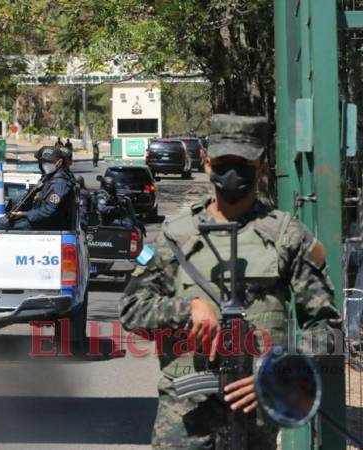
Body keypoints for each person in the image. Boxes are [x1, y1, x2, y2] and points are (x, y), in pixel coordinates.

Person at [118, 114, 342, 449]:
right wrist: (187, 308)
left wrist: (275, 372)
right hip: (184, 417)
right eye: (224, 163)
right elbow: (132, 310)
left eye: (243, 163)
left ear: (261, 167)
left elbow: (328, 330)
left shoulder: (287, 235)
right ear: (208, 165)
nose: (233, 172)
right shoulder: (175, 235)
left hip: (255, 417)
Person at [0, 147, 75, 231]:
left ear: (59, 162)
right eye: (44, 161)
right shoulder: (50, 177)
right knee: (4, 219)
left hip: (49, 225)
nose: (45, 164)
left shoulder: (59, 183)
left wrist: (24, 214)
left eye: (49, 162)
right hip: (41, 220)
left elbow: (49, 211)